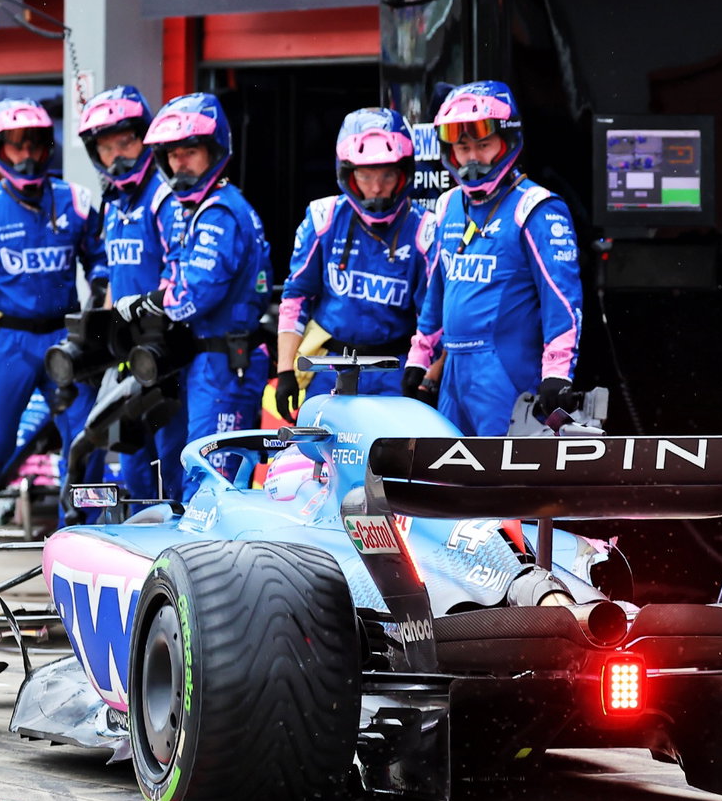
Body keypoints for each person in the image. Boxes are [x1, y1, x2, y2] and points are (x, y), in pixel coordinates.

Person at [0, 98, 108, 518]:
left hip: (69, 340)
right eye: (16, 145)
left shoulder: (77, 200)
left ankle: (81, 543)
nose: (27, 155)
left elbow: (102, 261)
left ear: (49, 147)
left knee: (87, 443)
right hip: (8, 342)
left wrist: (101, 303)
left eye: (35, 144)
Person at [114, 92, 271, 499]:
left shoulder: (218, 212)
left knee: (212, 485)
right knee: (189, 472)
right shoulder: (201, 208)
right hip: (206, 363)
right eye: (173, 155)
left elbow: (194, 295)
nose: (180, 163)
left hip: (224, 364)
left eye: (190, 152)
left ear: (214, 150)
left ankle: (210, 562)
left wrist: (148, 303)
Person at [404, 80, 583, 436]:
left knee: (505, 485)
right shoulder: (447, 205)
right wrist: (419, 359)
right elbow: (436, 294)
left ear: (506, 142)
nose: (472, 157)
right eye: (463, 146)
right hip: (454, 375)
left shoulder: (536, 208)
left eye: (483, 145)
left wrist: (557, 373)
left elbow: (562, 301)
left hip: (507, 375)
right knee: (448, 479)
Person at [274, 107, 433, 421]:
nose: (376, 188)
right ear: (348, 174)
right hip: (330, 367)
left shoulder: (426, 229)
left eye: (387, 175)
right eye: (365, 175)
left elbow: (434, 316)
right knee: (317, 464)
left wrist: (427, 375)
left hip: (396, 370)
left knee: (394, 467)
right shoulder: (323, 218)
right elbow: (296, 297)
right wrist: (284, 371)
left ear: (404, 172)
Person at [75, 85, 188, 501]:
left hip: (169, 350)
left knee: (172, 457)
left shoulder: (164, 195)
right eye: (107, 148)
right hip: (127, 352)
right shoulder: (113, 202)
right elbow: (114, 277)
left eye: (127, 142)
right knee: (130, 458)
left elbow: (180, 272)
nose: (118, 155)